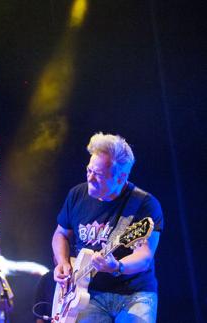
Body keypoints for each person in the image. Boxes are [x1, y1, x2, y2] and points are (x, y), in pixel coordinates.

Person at [52, 132, 163, 322]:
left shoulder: (144, 204)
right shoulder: (77, 195)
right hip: (87, 293)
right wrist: (63, 262)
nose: (90, 178)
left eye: (99, 174)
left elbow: (144, 256)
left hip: (134, 294)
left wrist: (116, 266)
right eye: (89, 170)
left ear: (121, 178)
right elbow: (60, 234)